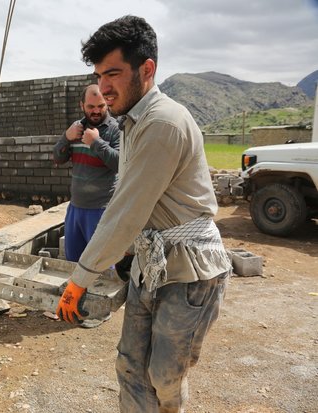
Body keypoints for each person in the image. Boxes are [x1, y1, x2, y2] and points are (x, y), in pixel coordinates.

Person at [56, 16, 232, 413]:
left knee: (165, 378)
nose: (103, 87)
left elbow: (126, 210)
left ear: (147, 69)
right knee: (131, 367)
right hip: (150, 264)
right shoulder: (133, 120)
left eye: (113, 73)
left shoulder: (162, 123)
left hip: (189, 272)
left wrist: (80, 278)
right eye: (100, 75)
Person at [53, 84, 120, 264]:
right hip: (75, 209)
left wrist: (96, 142)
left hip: (101, 210)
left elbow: (120, 163)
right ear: (82, 105)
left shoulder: (115, 129)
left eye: (101, 106)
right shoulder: (76, 129)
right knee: (73, 264)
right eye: (91, 107)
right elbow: (58, 158)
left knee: (101, 267)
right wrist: (66, 137)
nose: (96, 111)